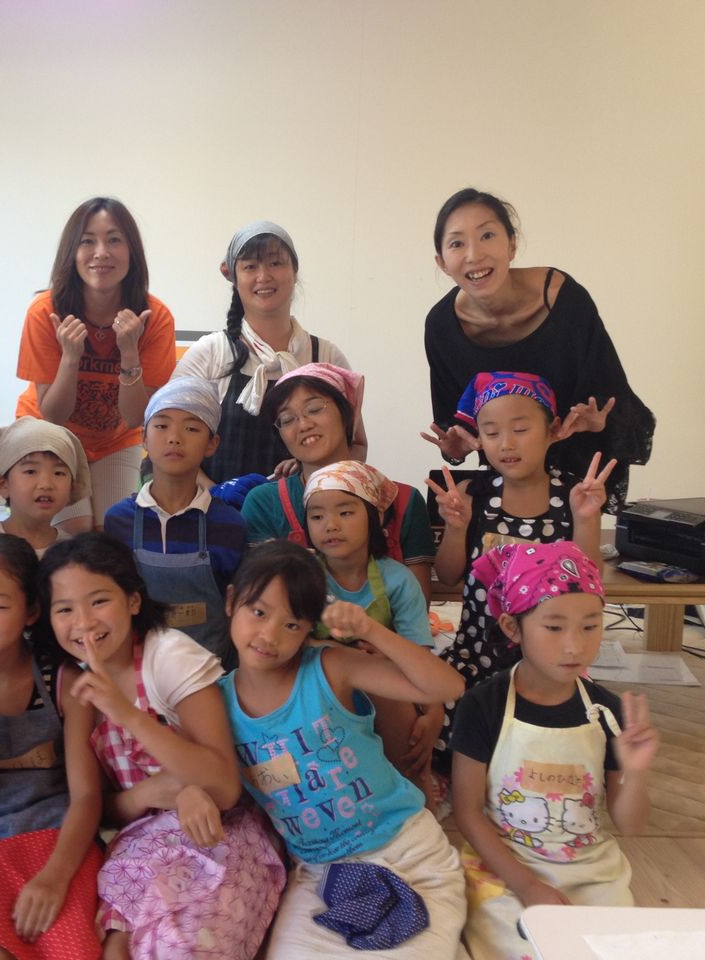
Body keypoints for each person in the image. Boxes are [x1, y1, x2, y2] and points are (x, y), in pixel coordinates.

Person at [36, 533, 284, 960]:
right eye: (64, 609)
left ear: (133, 601)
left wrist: (128, 715)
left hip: (222, 830)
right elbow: (98, 806)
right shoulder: (73, 683)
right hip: (140, 842)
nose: (84, 622)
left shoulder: (169, 657)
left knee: (180, 948)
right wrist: (151, 794)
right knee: (113, 948)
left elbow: (225, 788)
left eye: (99, 601)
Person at [218, 540, 467, 958]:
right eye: (258, 612)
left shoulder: (329, 668)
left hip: (408, 852)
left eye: (292, 624)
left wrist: (370, 630)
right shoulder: (215, 703)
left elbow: (448, 687)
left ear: (308, 629)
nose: (269, 636)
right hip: (320, 876)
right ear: (231, 602)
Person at [451, 541, 658, 960]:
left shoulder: (608, 711)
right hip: (505, 865)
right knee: (512, 945)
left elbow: (630, 824)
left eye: (590, 626)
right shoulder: (483, 705)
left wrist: (636, 773)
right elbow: (467, 812)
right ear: (512, 628)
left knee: (611, 949)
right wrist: (526, 885)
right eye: (554, 627)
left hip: (590, 870)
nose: (574, 646)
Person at [426, 371, 614, 771]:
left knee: (575, 745)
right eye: (491, 432)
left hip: (548, 665)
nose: (506, 444)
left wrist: (586, 519)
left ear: (552, 431)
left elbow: (589, 581)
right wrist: (456, 529)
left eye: (521, 429)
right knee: (436, 722)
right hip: (475, 655)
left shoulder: (572, 495)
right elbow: (449, 575)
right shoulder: (474, 495)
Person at [423, 187, 655, 510]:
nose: (474, 255)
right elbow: (456, 424)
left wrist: (597, 422)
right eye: (457, 243)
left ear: (512, 244)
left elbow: (610, 399)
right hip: (507, 478)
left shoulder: (564, 300)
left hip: (575, 474)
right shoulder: (441, 327)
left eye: (487, 235)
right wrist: (457, 445)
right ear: (442, 262)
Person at [0, 533, 103, 960]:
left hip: (57, 840)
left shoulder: (62, 677)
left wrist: (54, 878)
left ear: (31, 611)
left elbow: (86, 796)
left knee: (71, 949)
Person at [15, 197, 178, 533]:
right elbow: (53, 415)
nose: (101, 252)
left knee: (114, 531)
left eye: (114, 240)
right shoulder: (45, 311)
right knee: (73, 529)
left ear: (131, 252)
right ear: (72, 252)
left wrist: (129, 353)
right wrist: (70, 357)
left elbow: (135, 418)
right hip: (50, 433)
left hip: (115, 439)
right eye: (87, 241)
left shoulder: (155, 317)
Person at [173, 220, 362, 481]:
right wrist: (215, 495)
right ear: (234, 277)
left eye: (275, 263)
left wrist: (313, 468)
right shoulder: (209, 353)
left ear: (294, 271)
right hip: (215, 504)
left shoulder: (326, 356)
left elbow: (355, 446)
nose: (263, 276)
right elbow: (171, 438)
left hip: (306, 505)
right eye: (250, 266)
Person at [303, 461, 441, 799]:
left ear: (375, 517)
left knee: (400, 714)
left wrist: (433, 712)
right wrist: (339, 651)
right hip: (315, 686)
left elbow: (419, 656)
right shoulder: (301, 577)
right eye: (317, 516)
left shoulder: (397, 580)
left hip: (384, 686)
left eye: (345, 512)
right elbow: (290, 641)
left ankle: (415, 805)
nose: (330, 525)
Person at [241, 363, 436, 600]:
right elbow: (262, 605)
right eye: (287, 419)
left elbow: (416, 609)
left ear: (347, 414)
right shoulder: (263, 502)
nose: (303, 425)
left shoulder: (403, 500)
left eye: (314, 409)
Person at [102, 378, 248, 660]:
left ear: (212, 443)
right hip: (138, 671)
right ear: (144, 438)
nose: (174, 438)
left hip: (212, 671)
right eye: (161, 426)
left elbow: (240, 607)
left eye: (192, 428)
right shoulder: (118, 520)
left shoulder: (230, 525)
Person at [0, 416, 91, 557]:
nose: (46, 484)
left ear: (71, 488)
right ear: (3, 484)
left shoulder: (73, 553)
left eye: (59, 473)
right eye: (31, 471)